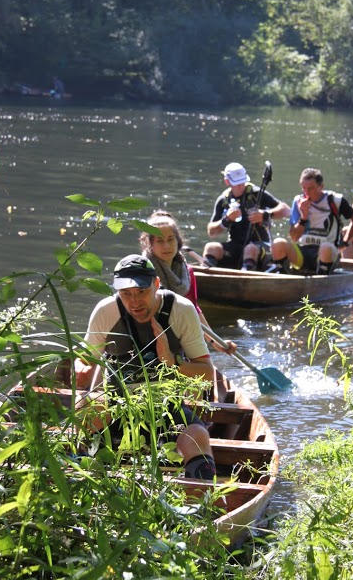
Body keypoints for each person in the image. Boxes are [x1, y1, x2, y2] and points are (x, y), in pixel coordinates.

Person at [74, 254, 217, 481]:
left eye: (142, 292)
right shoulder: (106, 312)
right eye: (126, 294)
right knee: (85, 407)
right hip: (118, 408)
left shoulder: (181, 310)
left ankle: (200, 506)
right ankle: (81, 478)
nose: (134, 302)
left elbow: (207, 373)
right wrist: (80, 368)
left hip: (167, 412)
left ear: (157, 285)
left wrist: (172, 361)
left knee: (198, 435)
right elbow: (83, 359)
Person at [140, 210, 236, 354]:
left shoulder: (187, 272)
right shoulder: (143, 270)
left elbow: (194, 311)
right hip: (148, 341)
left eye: (170, 239)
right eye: (160, 241)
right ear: (149, 244)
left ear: (178, 241)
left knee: (217, 376)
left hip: (181, 337)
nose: (166, 246)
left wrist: (215, 342)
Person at [270, 167, 353, 275]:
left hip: (327, 252)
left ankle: (320, 281)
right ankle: (286, 281)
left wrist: (345, 243)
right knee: (277, 244)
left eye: (311, 188)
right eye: (304, 188)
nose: (306, 192)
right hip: (304, 252)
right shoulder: (298, 201)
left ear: (321, 187)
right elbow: (294, 237)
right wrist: (303, 217)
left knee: (325, 247)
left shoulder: (336, 200)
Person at [203, 162, 290, 271]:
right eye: (237, 183)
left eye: (242, 182)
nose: (241, 186)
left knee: (250, 249)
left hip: (262, 246)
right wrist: (227, 220)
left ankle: (245, 277)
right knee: (211, 248)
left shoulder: (256, 193)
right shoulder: (223, 200)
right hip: (236, 246)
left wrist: (265, 214)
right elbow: (212, 232)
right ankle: (206, 275)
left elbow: (286, 210)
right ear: (227, 182)